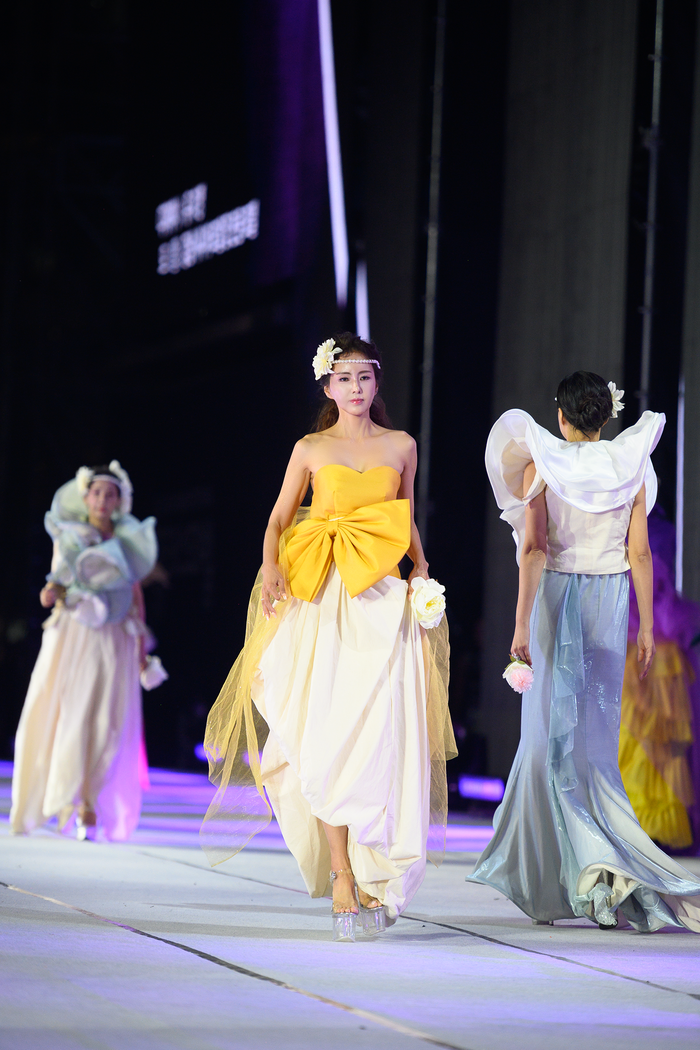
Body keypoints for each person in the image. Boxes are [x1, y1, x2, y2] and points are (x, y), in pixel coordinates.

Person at [201, 333, 455, 942]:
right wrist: (270, 565)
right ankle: (342, 874)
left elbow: (404, 518)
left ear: (377, 382)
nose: (356, 388)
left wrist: (421, 571)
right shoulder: (310, 448)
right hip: (319, 597)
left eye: (364, 377)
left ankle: (374, 872)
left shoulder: (402, 445)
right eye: (344, 378)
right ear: (328, 386)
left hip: (380, 600)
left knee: (379, 739)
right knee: (325, 738)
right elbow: (278, 519)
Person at [468, 372, 700, 932]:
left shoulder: (542, 467)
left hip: (556, 597)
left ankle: (586, 876)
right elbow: (639, 554)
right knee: (594, 745)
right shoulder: (630, 466)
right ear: (605, 416)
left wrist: (520, 626)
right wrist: (646, 629)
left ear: (561, 415)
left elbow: (534, 550)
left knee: (548, 741)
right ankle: (597, 874)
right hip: (609, 602)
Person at [10, 461, 159, 842]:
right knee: (70, 713)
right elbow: (55, 584)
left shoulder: (128, 543)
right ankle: (67, 797)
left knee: (106, 720)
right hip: (75, 634)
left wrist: (141, 647)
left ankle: (90, 803)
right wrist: (50, 594)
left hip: (114, 637)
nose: (102, 500)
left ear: (119, 500)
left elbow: (135, 596)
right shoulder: (69, 536)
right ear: (86, 497)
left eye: (110, 494)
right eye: (97, 493)